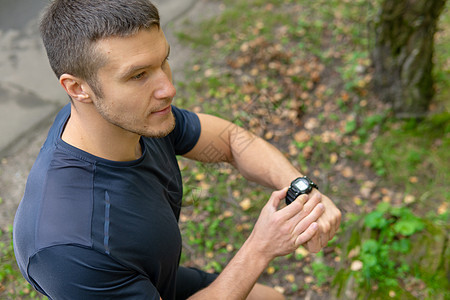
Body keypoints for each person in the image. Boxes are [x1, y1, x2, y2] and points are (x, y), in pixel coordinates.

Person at [13, 0, 341, 299]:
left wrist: (303, 191)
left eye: (163, 61)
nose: (168, 89)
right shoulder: (70, 248)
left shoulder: (130, 118)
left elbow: (230, 141)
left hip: (154, 279)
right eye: (139, 75)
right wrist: (260, 247)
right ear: (77, 88)